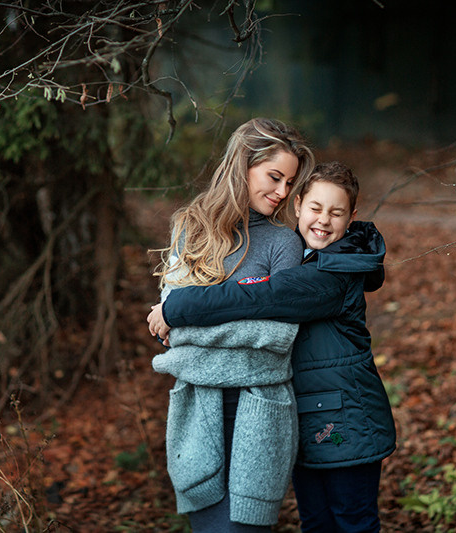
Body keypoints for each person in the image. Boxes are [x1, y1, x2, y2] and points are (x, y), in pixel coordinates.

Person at [148, 161, 396, 532]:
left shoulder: (334, 274)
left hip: (346, 422)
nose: (323, 220)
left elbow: (260, 297)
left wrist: (176, 308)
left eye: (336, 212)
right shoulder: (308, 256)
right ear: (298, 207)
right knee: (316, 523)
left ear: (351, 218)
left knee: (352, 523)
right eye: (315, 208)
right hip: (310, 419)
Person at [150, 118, 315, 530]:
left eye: (289, 184)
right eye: (274, 177)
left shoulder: (285, 243)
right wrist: (238, 320)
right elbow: (171, 327)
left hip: (259, 410)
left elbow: (280, 335)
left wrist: (191, 319)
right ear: (242, 165)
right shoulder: (191, 227)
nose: (281, 193)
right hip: (197, 407)